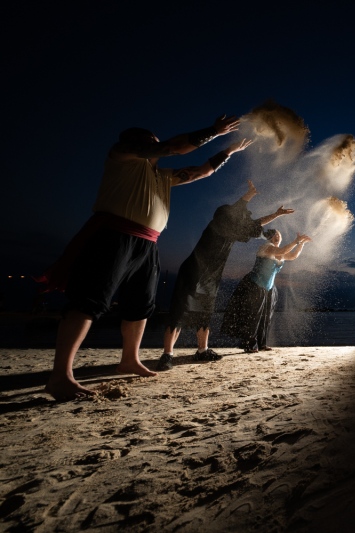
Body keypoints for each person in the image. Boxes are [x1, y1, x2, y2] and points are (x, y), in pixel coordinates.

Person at [40, 115, 247, 401]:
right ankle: (60, 376)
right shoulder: (122, 155)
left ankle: (129, 359)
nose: (155, 143)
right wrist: (214, 131)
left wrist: (228, 151)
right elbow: (175, 147)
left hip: (148, 244)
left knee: (141, 305)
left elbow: (201, 172)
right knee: (89, 301)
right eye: (149, 140)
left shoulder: (162, 177)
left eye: (155, 139)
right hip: (113, 236)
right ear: (133, 142)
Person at [158, 180, 295, 370]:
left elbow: (256, 224)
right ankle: (167, 355)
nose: (245, 219)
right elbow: (237, 211)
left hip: (211, 277)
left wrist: (277, 214)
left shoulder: (234, 230)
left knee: (205, 313)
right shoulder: (220, 221)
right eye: (242, 216)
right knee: (179, 312)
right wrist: (249, 195)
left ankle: (202, 350)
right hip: (194, 270)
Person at [221, 230, 311, 352]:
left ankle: (262, 344)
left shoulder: (280, 252)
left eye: (279, 235)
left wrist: (301, 244)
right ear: (269, 238)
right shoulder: (266, 247)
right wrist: (296, 241)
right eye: (274, 235)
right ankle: (249, 345)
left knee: (265, 317)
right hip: (255, 285)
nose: (277, 237)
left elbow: (293, 256)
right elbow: (283, 251)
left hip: (269, 288)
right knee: (254, 315)